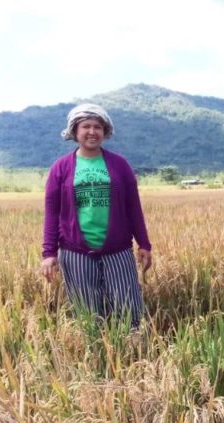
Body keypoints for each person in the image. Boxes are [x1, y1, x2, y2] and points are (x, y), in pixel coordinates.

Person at [41, 103, 152, 327]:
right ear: (75, 131)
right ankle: (95, 359)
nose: (92, 132)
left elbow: (133, 207)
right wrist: (48, 252)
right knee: (87, 317)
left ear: (105, 131)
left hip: (118, 250)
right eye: (86, 126)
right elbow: (52, 214)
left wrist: (144, 244)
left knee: (128, 311)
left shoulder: (120, 165)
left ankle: (131, 357)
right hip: (75, 252)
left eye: (98, 127)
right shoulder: (60, 168)